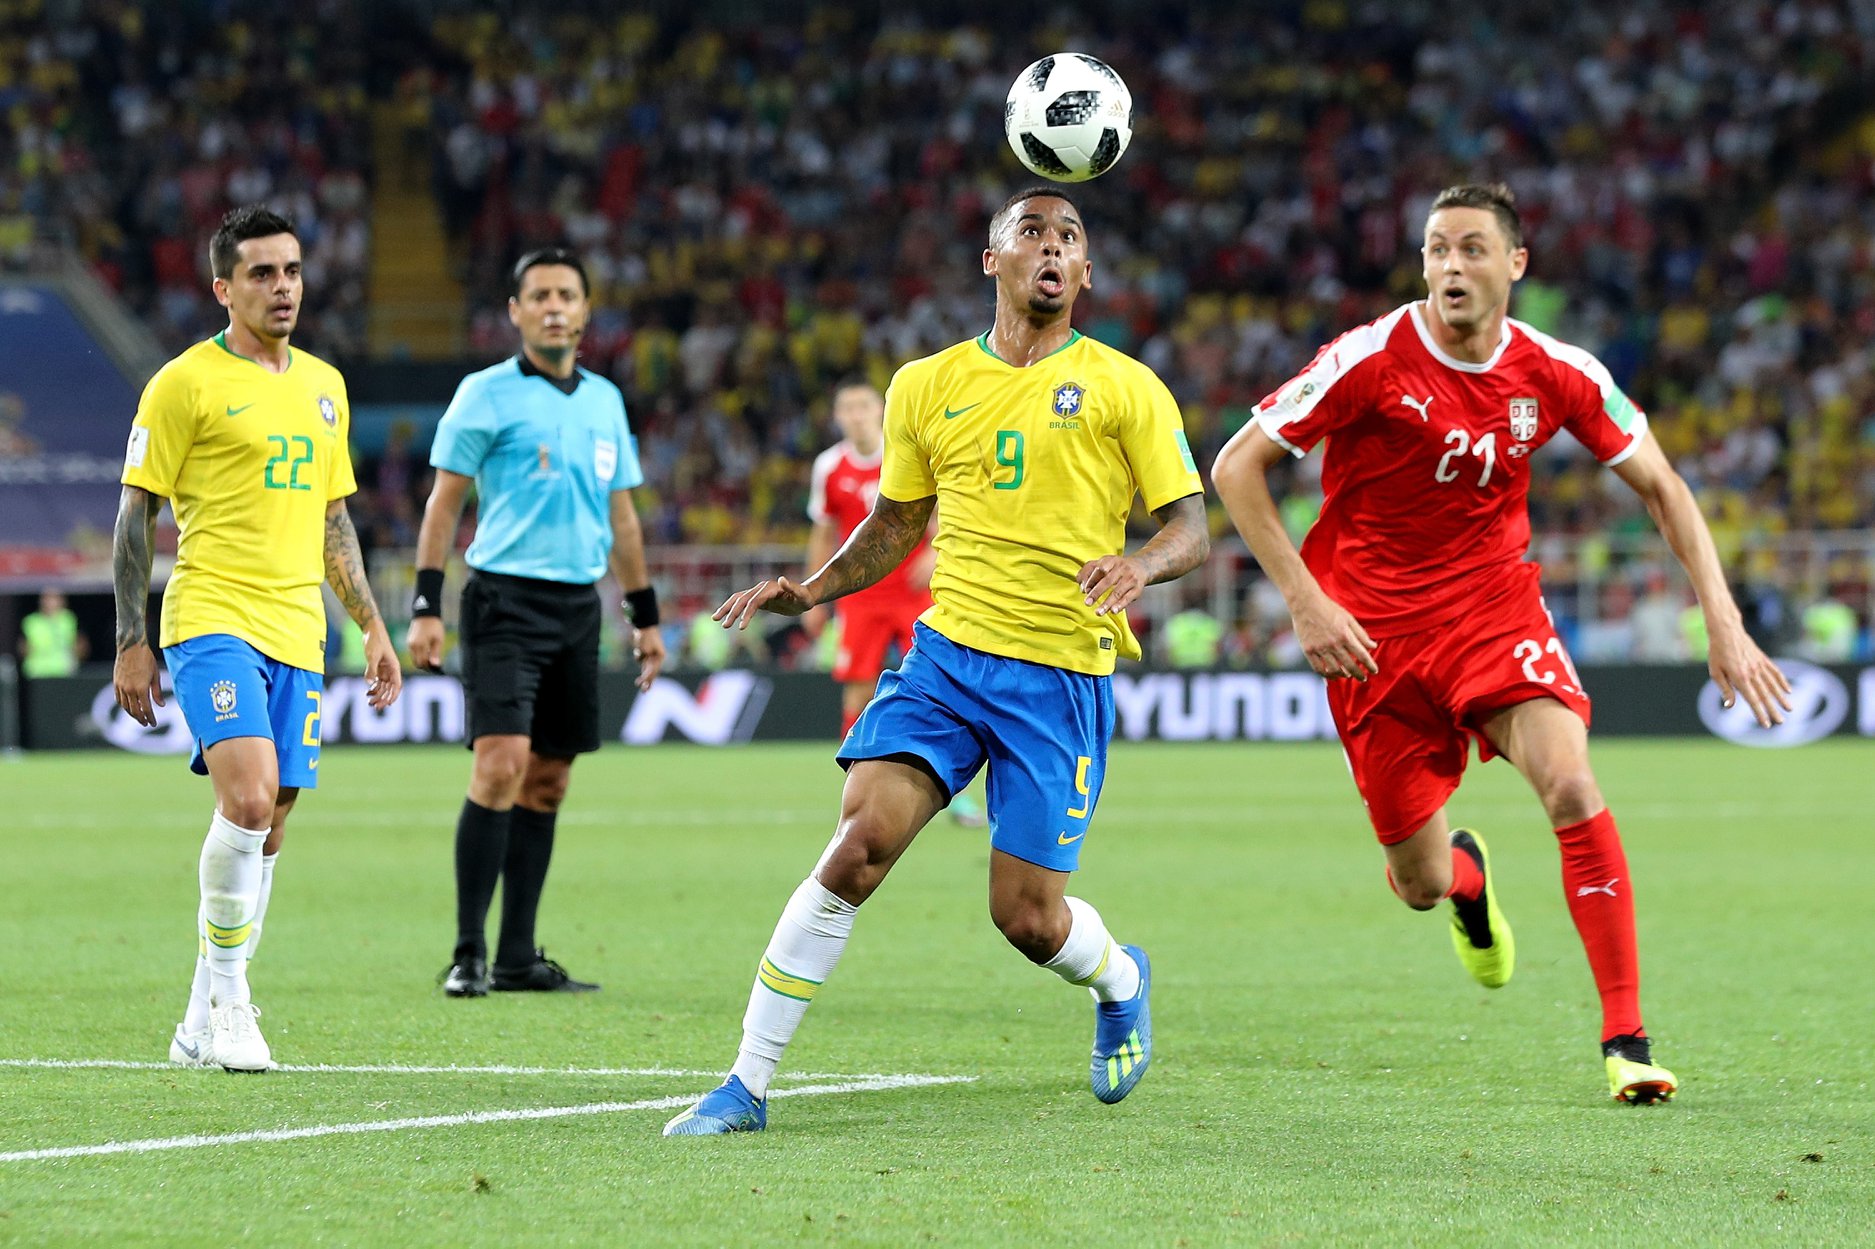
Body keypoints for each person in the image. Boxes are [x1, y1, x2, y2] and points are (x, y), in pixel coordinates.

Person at [1211, 183, 1792, 1104]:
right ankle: (1466, 881)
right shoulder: (1367, 358)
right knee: (1416, 880)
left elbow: (1663, 486)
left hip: (1493, 615)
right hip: (1371, 640)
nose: (1450, 265)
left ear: (1515, 263)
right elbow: (1235, 465)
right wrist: (1305, 602)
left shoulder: (1555, 370)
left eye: (1471, 248)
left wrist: (1722, 619)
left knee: (1570, 783)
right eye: (1436, 249)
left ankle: (1626, 1038)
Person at [664, 188, 1210, 1135]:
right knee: (856, 847)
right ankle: (744, 1084)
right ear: (992, 259)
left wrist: (1140, 564)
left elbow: (1191, 527)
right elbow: (895, 523)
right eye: (1031, 232)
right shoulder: (924, 384)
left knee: (1027, 918)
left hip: (1058, 677)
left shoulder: (1126, 387)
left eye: (1069, 237)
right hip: (947, 660)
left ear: (1085, 273)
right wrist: (813, 589)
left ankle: (1120, 978)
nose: (1052, 247)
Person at [112, 205, 403, 1073]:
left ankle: (197, 1021)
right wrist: (131, 638)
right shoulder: (183, 383)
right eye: (263, 274)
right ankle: (233, 1005)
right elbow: (136, 512)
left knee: (269, 828)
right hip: (212, 616)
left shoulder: (325, 386)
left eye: (293, 271)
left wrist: (372, 624)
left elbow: (333, 521)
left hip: (298, 629)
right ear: (223, 288)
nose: (283, 288)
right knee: (244, 801)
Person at [409, 247, 666, 999]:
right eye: (540, 295)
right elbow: (443, 505)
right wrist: (425, 604)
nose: (554, 307)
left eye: (567, 295)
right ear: (516, 312)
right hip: (502, 601)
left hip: (577, 607)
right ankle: (468, 951)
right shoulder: (483, 394)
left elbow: (623, 518)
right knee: (500, 764)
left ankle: (517, 956)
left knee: (548, 781)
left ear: (585, 311)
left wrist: (645, 616)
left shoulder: (605, 401)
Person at [804, 378, 985, 827]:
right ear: (838, 417)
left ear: (880, 410)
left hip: (913, 592)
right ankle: (854, 793)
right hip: (860, 596)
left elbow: (943, 508)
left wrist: (934, 552)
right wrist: (814, 594)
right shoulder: (830, 466)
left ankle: (956, 795)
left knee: (938, 686)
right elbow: (823, 533)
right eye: (847, 408)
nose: (856, 415)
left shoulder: (903, 452)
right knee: (859, 689)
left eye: (863, 406)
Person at [19, 588, 87, 677]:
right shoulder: (31, 621)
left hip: (65, 672)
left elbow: (81, 646)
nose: (50, 602)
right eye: (47, 598)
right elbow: (23, 647)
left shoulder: (69, 619)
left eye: (54, 598)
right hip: (37, 673)